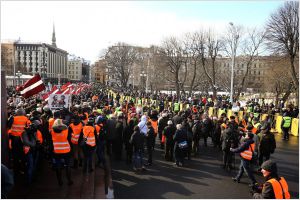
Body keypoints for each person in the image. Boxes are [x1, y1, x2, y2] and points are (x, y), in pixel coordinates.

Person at [50, 119, 73, 186]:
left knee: (58, 166)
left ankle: (60, 181)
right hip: (66, 150)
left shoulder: (51, 131)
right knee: (68, 165)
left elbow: (51, 142)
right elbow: (69, 139)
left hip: (56, 151)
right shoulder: (66, 130)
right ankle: (69, 180)